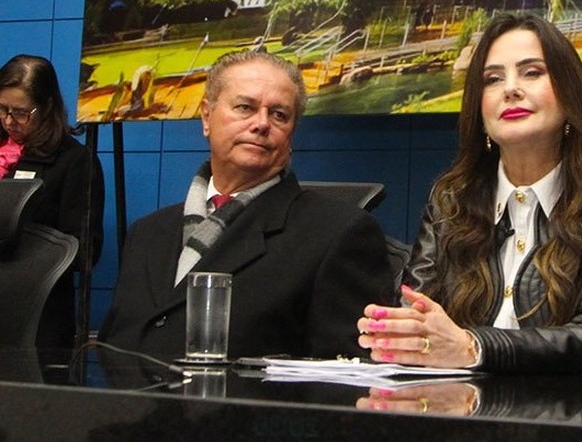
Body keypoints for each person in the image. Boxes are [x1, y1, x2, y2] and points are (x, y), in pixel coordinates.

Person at [358, 13, 582, 376]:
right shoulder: (449, 202)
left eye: (532, 73)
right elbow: (417, 314)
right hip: (452, 416)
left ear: (569, 96)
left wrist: (473, 347)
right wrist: (396, 332)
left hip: (563, 421)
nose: (510, 89)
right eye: (492, 79)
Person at [99, 50, 394, 359]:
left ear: (292, 133)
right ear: (206, 117)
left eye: (279, 114)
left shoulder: (340, 233)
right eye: (245, 107)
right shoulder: (147, 233)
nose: (261, 124)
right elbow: (115, 347)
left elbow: (351, 374)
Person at [0, 55, 104, 348]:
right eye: (2, 109)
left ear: (46, 107)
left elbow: (86, 251)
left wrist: (23, 238)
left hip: (36, 319)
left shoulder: (74, 161)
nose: (9, 121)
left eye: (21, 112)